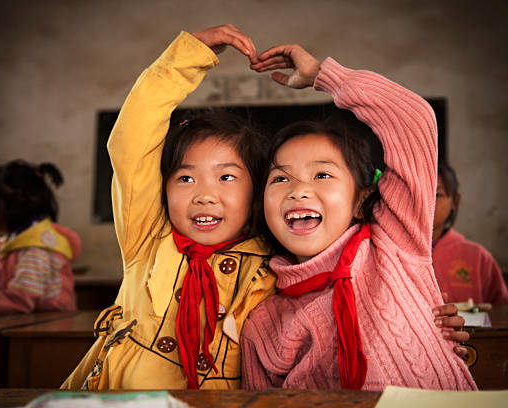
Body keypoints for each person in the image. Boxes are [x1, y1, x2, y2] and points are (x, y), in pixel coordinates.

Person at [62, 25, 468, 391]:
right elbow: (131, 145)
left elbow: (413, 123)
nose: (204, 195)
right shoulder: (157, 242)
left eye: (226, 177)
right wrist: (182, 62)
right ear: (268, 199)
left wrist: (324, 76)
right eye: (186, 178)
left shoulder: (387, 247)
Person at [241, 43, 477, 390]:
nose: (299, 191)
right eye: (281, 178)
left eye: (322, 175)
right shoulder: (263, 324)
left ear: (360, 199)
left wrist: (325, 76)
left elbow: (413, 121)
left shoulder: (393, 242)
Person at [0, 160, 80, 314]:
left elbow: (19, 301)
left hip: (44, 334)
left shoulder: (37, 249)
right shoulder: (1, 246)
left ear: (1, 205)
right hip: (15, 330)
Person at [432, 160, 508, 305]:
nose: (425, 201)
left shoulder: (477, 257)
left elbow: (504, 315)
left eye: (437, 195)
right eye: (418, 193)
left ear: (455, 202)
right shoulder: (390, 252)